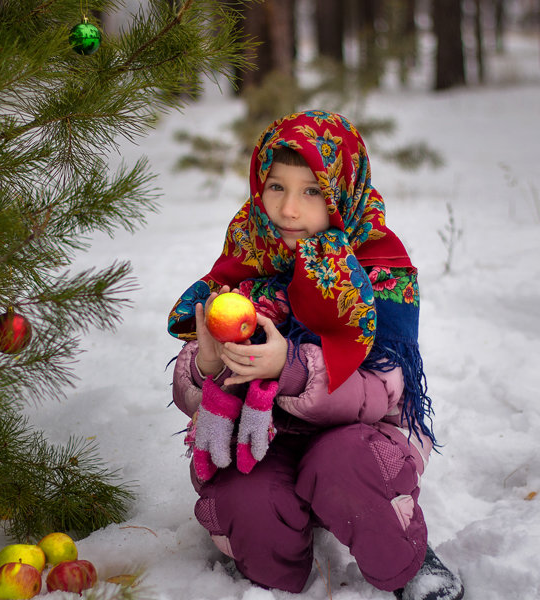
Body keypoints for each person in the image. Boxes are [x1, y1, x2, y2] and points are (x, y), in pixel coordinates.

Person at [166, 111, 464, 599]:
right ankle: (274, 572)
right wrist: (207, 366)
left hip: (358, 435)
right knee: (248, 495)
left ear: (341, 192)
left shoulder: (378, 269)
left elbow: (379, 390)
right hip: (263, 437)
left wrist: (292, 368)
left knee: (343, 464)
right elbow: (192, 393)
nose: (288, 210)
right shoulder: (247, 258)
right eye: (276, 187)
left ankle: (407, 563)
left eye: (311, 191)